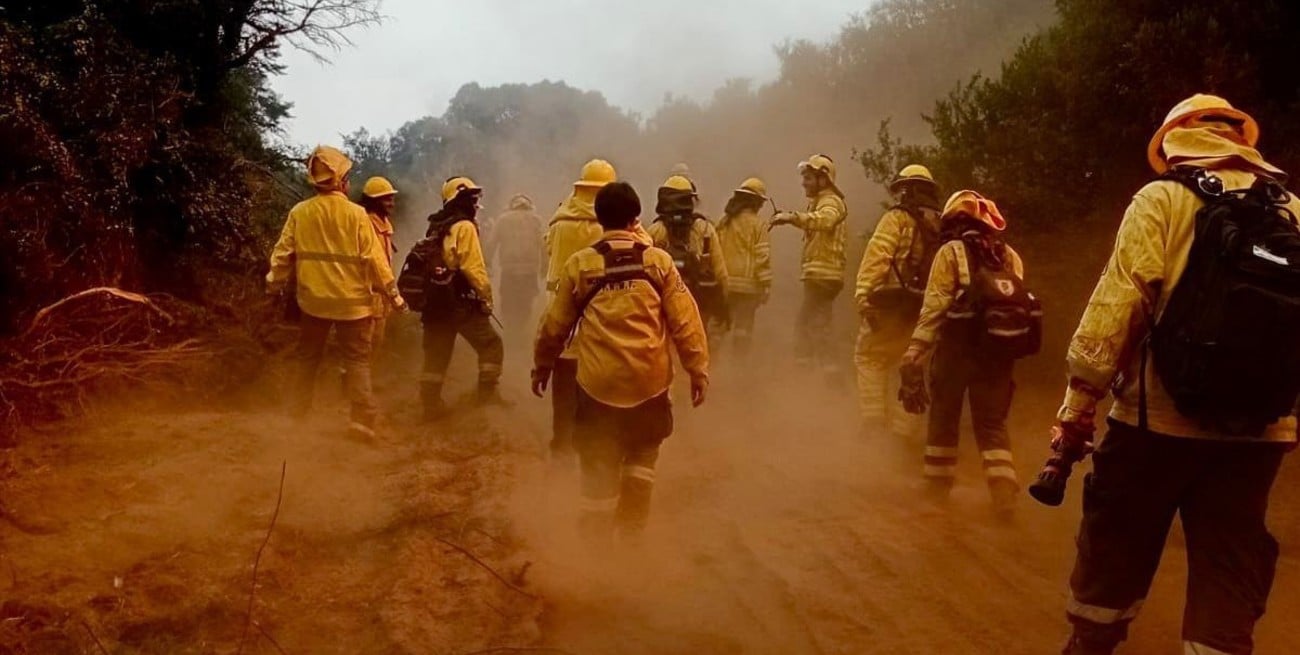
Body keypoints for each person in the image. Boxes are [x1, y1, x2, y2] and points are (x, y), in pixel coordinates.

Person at [1053, 94, 1300, 655]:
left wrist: (1077, 407)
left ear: (1172, 143)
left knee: (1117, 540)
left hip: (1155, 421)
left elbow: (1119, 306)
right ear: (1241, 140)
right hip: (1259, 429)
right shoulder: (1291, 208)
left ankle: (1091, 644)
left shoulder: (1161, 198)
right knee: (1230, 560)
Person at [532, 181, 709, 540]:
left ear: (599, 218)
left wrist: (543, 364)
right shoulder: (658, 262)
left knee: (598, 462)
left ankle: (595, 545)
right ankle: (631, 536)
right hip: (649, 383)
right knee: (643, 455)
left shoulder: (580, 264)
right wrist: (697, 369)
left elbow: (554, 325)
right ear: (635, 218)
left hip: (598, 387)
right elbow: (686, 321)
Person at [266, 146, 406, 438]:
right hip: (353, 306)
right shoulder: (357, 215)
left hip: (313, 303)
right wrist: (394, 296)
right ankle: (361, 421)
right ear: (341, 181)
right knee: (357, 361)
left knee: (308, 359)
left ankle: (297, 417)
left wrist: (273, 285)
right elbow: (375, 260)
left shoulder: (299, 212)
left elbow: (282, 255)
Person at [901, 190, 1024, 514]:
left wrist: (915, 350)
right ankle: (1003, 491)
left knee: (944, 415)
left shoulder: (950, 252)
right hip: (997, 352)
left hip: (956, 348)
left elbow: (935, 306)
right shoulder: (1009, 255)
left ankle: (937, 487)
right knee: (992, 422)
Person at [854, 165, 942, 436]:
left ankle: (874, 425)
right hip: (925, 310)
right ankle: (904, 436)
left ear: (907, 189)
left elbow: (878, 256)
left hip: (891, 304)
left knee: (869, 356)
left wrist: (863, 296)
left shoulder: (897, 218)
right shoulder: (942, 223)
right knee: (913, 367)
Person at [543, 159, 617, 460]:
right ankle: (593, 443)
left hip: (561, 309)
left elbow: (548, 249)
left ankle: (561, 444)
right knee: (597, 379)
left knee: (563, 378)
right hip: (600, 311)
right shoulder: (611, 224)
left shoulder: (560, 220)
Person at [414, 176, 505, 419]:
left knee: (436, 356)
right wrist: (486, 298)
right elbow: (473, 268)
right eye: (472, 199)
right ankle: (486, 399)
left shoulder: (436, 225)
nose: (476, 204)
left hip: (434, 303)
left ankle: (430, 407)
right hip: (459, 302)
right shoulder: (465, 226)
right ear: (461, 199)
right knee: (491, 345)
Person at [772, 154, 848, 379]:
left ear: (823, 179)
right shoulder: (821, 201)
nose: (803, 183)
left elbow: (826, 220)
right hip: (822, 274)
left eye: (808, 178)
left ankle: (817, 377)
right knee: (814, 324)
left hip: (824, 275)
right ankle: (822, 374)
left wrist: (791, 217)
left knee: (810, 325)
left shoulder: (830, 202)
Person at [646, 175, 729, 338]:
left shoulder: (655, 231)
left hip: (664, 305)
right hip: (699, 304)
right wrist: (723, 304)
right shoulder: (705, 229)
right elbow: (721, 273)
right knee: (698, 341)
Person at [715, 177, 773, 356]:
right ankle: (739, 364)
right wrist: (766, 285)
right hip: (749, 288)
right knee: (743, 329)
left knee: (719, 326)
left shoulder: (724, 221)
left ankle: (711, 362)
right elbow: (762, 257)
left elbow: (714, 250)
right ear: (756, 202)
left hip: (725, 284)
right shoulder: (758, 224)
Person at [485, 194, 545, 340]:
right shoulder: (536, 220)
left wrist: (487, 264)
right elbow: (544, 246)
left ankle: (510, 332)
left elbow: (491, 243)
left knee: (508, 301)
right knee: (526, 302)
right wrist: (545, 267)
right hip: (530, 271)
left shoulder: (503, 220)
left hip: (509, 271)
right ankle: (521, 331)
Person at [360, 176, 400, 358]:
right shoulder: (366, 225)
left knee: (376, 342)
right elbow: (375, 263)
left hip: (380, 298)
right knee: (363, 346)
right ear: (374, 201)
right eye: (387, 199)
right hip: (366, 296)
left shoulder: (384, 226)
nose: (392, 204)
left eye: (392, 199)